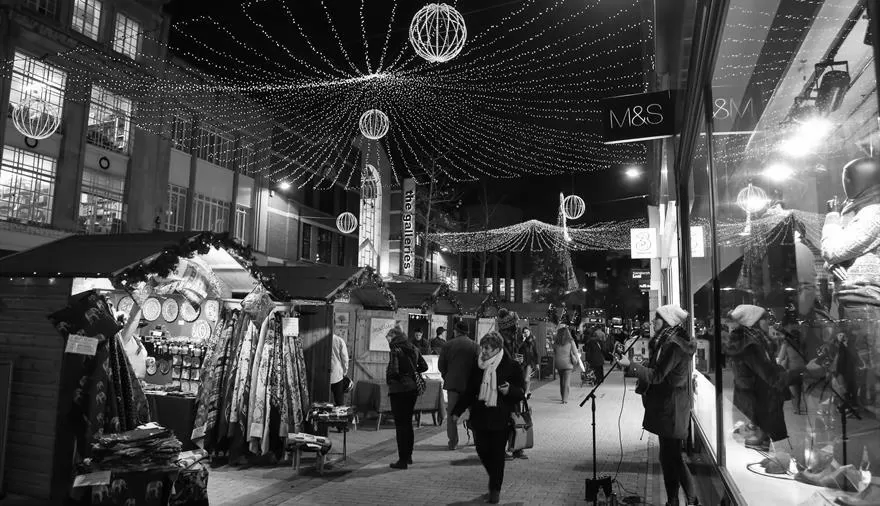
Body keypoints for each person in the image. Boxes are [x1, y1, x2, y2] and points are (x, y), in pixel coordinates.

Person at [617, 304, 699, 506]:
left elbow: (657, 375)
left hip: (673, 410)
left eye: (657, 319)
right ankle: (674, 500)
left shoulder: (674, 346)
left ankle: (690, 499)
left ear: (668, 322)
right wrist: (634, 366)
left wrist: (632, 366)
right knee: (668, 458)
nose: (653, 322)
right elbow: (656, 370)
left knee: (673, 459)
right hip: (668, 408)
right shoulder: (666, 342)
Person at [451, 332, 525, 504]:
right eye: (482, 347)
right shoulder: (478, 366)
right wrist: (457, 411)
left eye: (486, 348)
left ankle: (495, 490)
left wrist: (509, 390)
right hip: (480, 416)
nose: (482, 352)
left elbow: (520, 392)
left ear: (497, 349)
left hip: (501, 417)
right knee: (482, 450)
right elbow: (469, 391)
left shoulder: (511, 366)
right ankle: (495, 479)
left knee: (497, 455)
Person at [725, 304, 790, 450]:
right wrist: (791, 374)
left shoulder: (755, 341)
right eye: (765, 319)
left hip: (756, 402)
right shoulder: (751, 346)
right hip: (758, 405)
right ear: (753, 322)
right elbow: (768, 374)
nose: (769, 322)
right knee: (758, 447)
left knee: (761, 447)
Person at [386, 326, 428, 469]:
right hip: (412, 389)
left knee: (400, 425)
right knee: (408, 424)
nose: (388, 340)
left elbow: (393, 372)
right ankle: (408, 456)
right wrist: (412, 372)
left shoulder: (395, 349)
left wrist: (392, 380)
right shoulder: (413, 347)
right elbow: (424, 366)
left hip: (399, 390)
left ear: (395, 337)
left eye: (389, 337)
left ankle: (402, 460)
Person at [438, 321, 479, 451]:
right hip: (470, 386)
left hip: (453, 385)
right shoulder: (475, 346)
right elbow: (479, 367)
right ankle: (477, 439)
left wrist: (447, 376)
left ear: (456, 331)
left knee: (451, 414)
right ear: (467, 332)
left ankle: (453, 442)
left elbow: (441, 365)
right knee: (474, 413)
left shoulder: (447, 345)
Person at [553, 326, 577, 404]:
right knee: (566, 381)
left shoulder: (556, 342)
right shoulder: (570, 341)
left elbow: (554, 351)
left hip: (559, 363)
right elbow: (575, 352)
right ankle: (565, 399)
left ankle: (562, 396)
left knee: (561, 380)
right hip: (568, 364)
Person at [516, 327, 539, 398]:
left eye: (527, 331)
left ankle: (526, 393)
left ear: (529, 332)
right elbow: (517, 349)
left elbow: (535, 352)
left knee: (526, 378)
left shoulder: (532, 340)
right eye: (524, 332)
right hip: (522, 362)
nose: (526, 333)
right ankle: (528, 391)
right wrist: (523, 340)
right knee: (523, 379)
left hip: (530, 362)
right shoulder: (521, 340)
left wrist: (537, 363)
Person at [329, 333, 350, 406]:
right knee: (339, 401)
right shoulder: (339, 340)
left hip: (321, 374)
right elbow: (345, 359)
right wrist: (344, 372)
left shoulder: (320, 339)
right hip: (336, 374)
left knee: (322, 402)